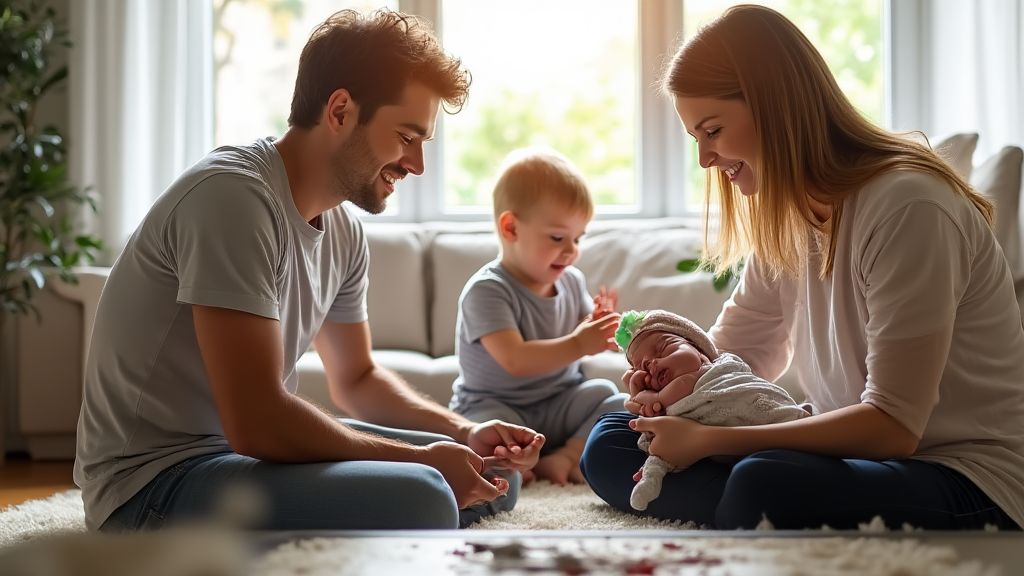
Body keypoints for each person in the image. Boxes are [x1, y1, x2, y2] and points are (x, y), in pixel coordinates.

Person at [74, 9, 545, 533]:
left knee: (492, 474)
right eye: (406, 137)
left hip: (240, 460)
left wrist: (461, 432)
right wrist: (426, 463)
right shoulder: (233, 199)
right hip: (153, 486)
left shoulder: (342, 231)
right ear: (341, 109)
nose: (417, 165)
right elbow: (257, 423)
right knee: (429, 493)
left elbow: (358, 379)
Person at [580, 4, 1024, 531]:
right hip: (855, 456)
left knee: (764, 481)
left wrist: (709, 441)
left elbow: (894, 427)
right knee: (611, 439)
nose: (705, 159)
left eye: (713, 131)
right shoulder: (785, 213)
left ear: (775, 107)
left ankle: (745, 505)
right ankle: (750, 512)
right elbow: (737, 358)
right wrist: (677, 380)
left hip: (958, 470)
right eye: (696, 138)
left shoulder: (909, 207)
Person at [449, 148, 627, 485]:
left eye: (578, 238)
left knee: (612, 398)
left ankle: (564, 457)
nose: (572, 249)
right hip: (497, 407)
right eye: (558, 237)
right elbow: (514, 359)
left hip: (559, 402)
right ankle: (522, 464)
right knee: (490, 446)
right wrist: (579, 342)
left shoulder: (571, 281)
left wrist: (602, 327)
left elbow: (590, 338)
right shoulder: (487, 290)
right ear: (511, 227)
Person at [614, 309, 808, 511]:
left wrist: (645, 396)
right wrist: (643, 408)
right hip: (716, 450)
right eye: (643, 370)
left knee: (753, 476)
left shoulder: (701, 375)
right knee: (607, 433)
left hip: (785, 435)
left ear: (700, 350)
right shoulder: (678, 402)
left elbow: (670, 393)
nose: (652, 364)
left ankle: (731, 498)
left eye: (664, 348)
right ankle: (661, 483)